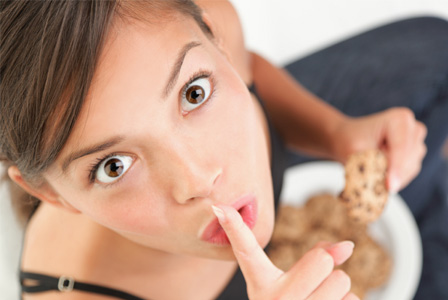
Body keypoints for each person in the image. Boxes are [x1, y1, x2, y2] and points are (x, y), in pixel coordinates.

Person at [1, 0, 445, 299]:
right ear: (50, 194)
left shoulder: (214, 17)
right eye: (113, 166)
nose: (200, 179)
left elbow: (250, 70)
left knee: (435, 47)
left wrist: (335, 133)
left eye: (193, 93)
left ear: (215, 41)